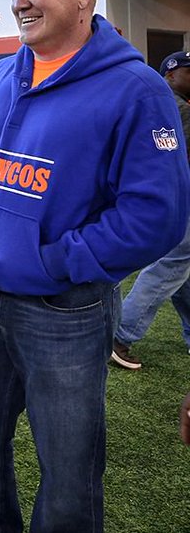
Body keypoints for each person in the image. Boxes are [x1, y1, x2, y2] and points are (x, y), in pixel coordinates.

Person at [0, 0, 190, 533]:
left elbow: (155, 216)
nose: (21, 1)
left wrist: (58, 261)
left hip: (65, 309)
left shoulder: (137, 89)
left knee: (70, 476)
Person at [110, 50, 190, 369]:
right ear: (171, 73)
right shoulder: (178, 107)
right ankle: (121, 336)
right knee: (171, 267)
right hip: (180, 200)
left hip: (160, 199)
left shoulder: (158, 100)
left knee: (181, 271)